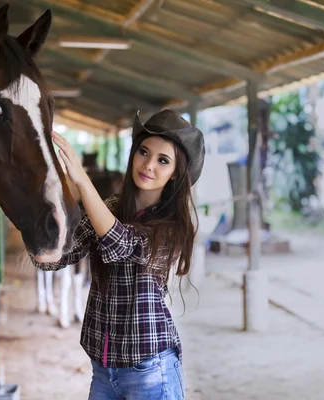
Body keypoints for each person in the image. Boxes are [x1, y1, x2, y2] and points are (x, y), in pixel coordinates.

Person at [31, 109, 205, 399]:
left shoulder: (172, 226)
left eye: (163, 160)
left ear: (175, 174)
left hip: (150, 370)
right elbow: (63, 254)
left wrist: (82, 182)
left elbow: (121, 245)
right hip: (102, 370)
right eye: (143, 152)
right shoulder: (111, 207)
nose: (148, 165)